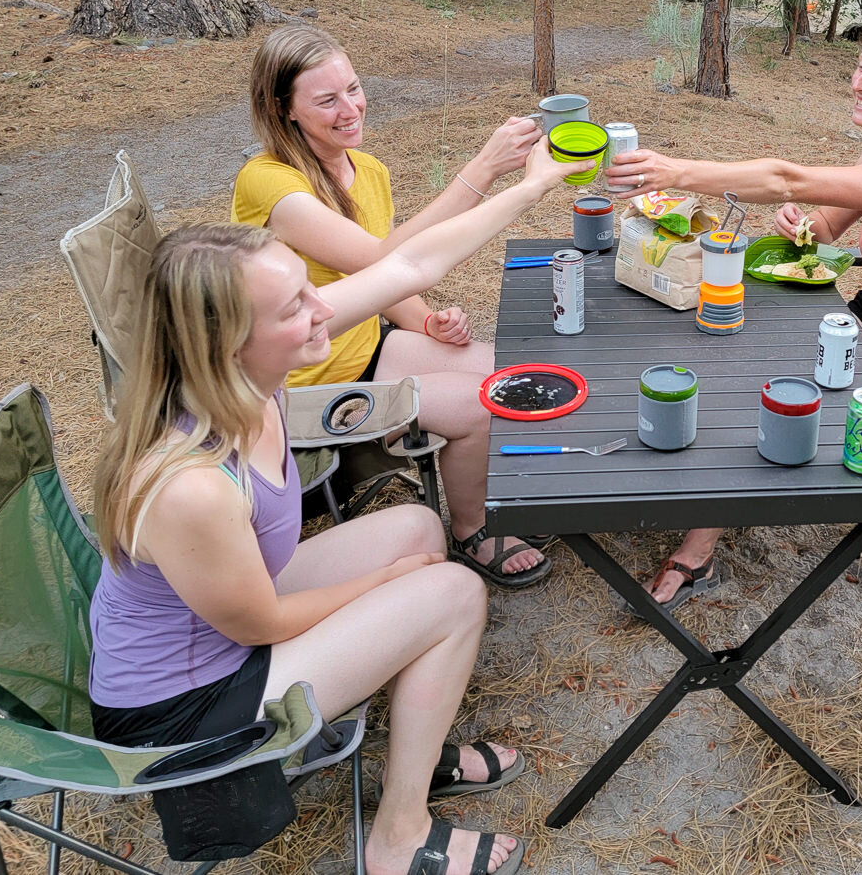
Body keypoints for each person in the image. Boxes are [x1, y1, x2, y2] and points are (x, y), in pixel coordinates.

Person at [88, 140, 591, 875]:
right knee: (450, 589)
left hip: (218, 630)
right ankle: (398, 838)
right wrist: (386, 585)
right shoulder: (188, 484)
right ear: (231, 341)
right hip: (188, 705)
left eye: (308, 288)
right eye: (295, 304)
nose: (322, 307)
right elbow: (261, 623)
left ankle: (415, 747)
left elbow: (408, 266)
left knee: (420, 525)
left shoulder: (248, 374)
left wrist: (533, 184)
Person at [604, 14, 862, 609]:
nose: (860, 81)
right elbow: (822, 224)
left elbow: (788, 178)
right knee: (728, 321)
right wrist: (801, 224)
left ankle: (698, 551)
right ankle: (688, 475)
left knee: (773, 363)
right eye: (861, 64)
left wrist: (675, 172)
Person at [233, 25, 549, 587]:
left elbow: (383, 280)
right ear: (285, 111)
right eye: (327, 100)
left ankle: (474, 472)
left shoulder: (366, 169)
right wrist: (484, 169)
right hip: (305, 389)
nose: (350, 108)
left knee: (515, 371)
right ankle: (473, 529)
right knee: (484, 404)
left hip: (367, 349)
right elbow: (381, 257)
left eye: (353, 88)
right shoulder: (270, 185)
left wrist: (426, 321)